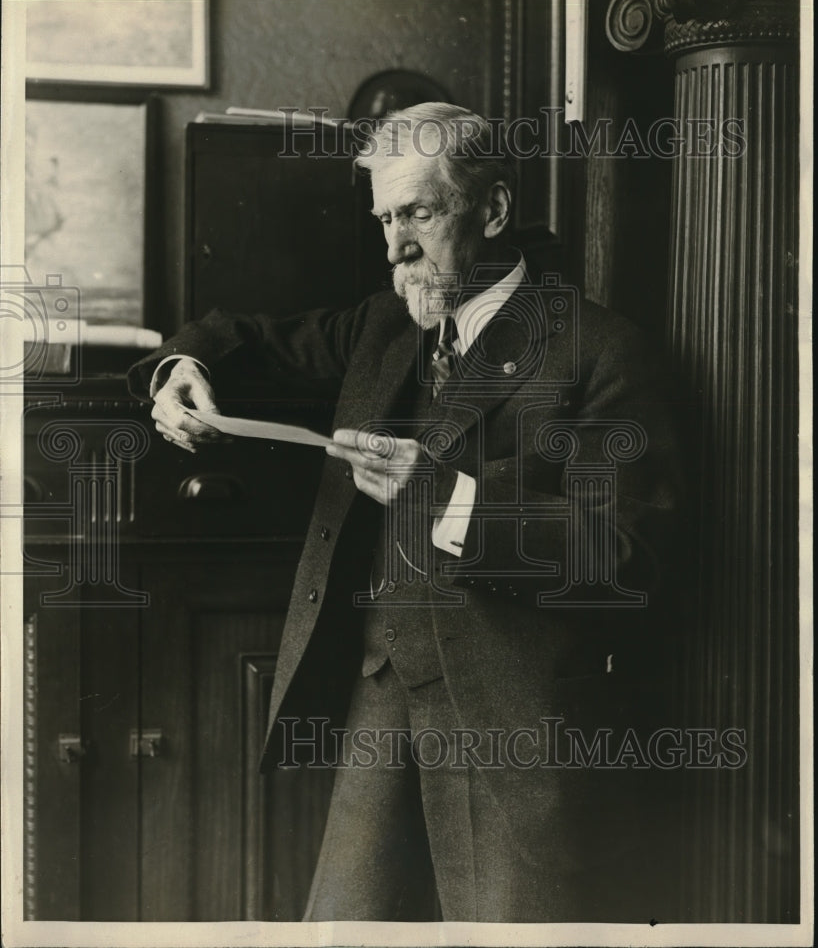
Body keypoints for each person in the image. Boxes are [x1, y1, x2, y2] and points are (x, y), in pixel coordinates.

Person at [129, 103, 682, 923]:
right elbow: (239, 335)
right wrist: (179, 368)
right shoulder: (385, 325)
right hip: (380, 702)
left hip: (513, 728)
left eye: (418, 213)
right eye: (386, 218)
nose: (395, 248)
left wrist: (450, 501)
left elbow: (626, 553)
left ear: (492, 209)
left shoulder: (601, 351)